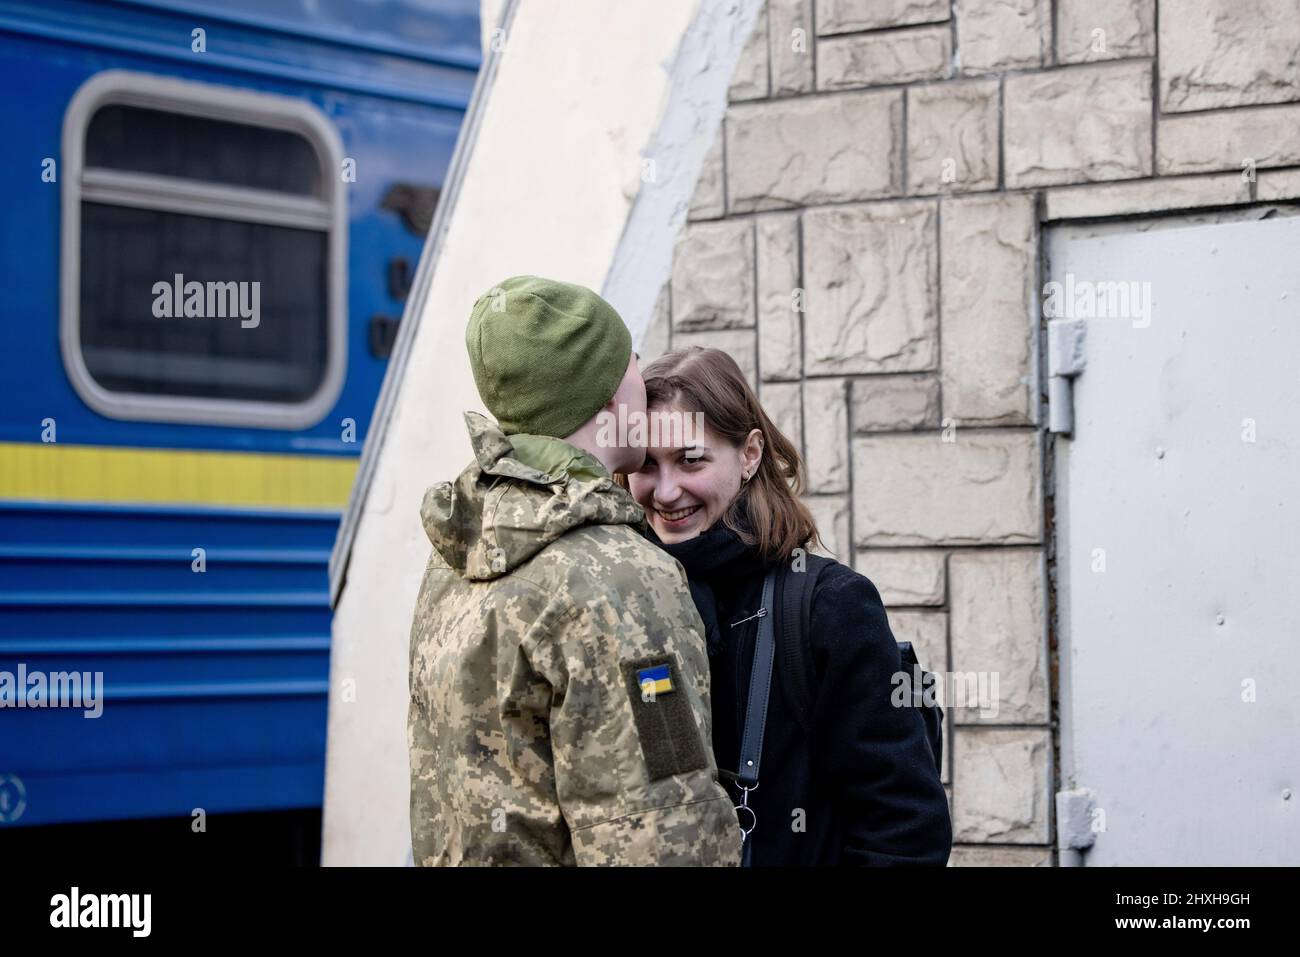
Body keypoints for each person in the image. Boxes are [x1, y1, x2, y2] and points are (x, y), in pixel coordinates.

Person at [408, 276, 741, 866]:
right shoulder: (620, 577)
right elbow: (662, 838)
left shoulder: (457, 552)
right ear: (612, 397)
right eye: (632, 362)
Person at [621, 346, 953, 866]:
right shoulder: (624, 604)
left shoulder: (829, 605)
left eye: (691, 460)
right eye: (646, 465)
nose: (666, 491)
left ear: (750, 454)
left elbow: (905, 830)